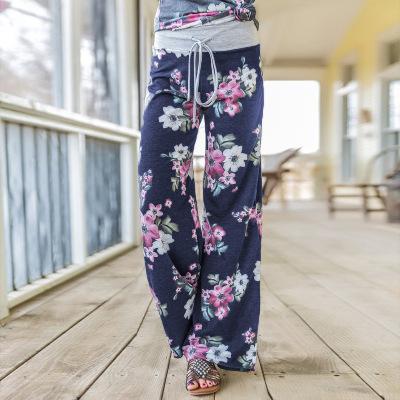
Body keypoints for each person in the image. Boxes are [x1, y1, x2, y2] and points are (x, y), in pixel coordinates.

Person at [138, 0, 263, 395]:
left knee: (234, 204)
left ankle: (207, 345)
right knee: (157, 195)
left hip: (237, 52)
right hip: (171, 54)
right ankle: (185, 326)